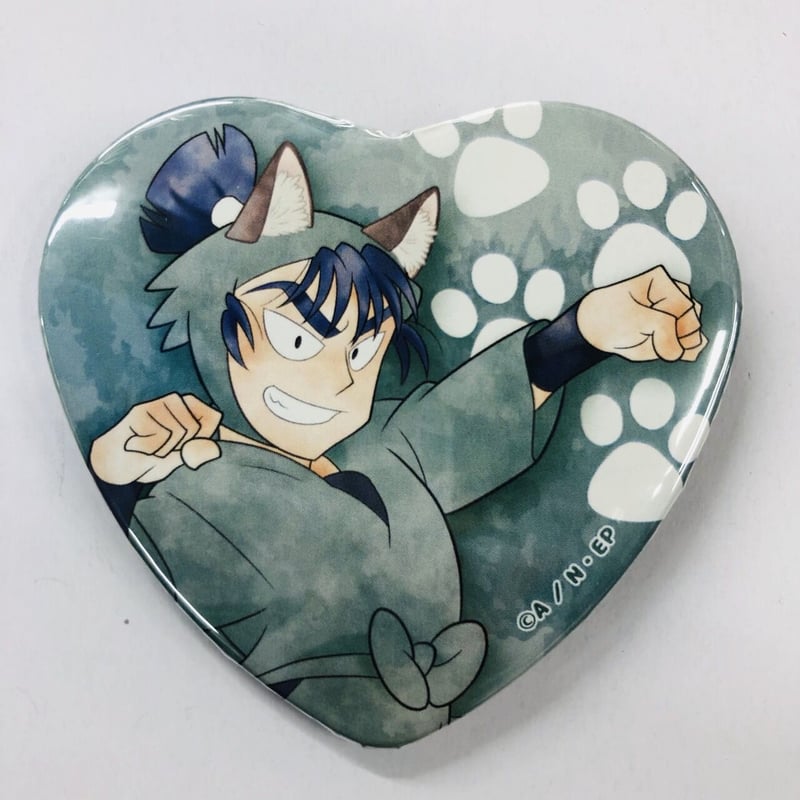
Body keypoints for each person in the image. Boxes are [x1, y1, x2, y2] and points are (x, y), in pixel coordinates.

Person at [90, 129, 705, 746]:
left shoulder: (382, 445)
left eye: (363, 351)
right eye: (298, 339)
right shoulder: (195, 485)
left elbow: (474, 415)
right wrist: (116, 474)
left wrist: (587, 331)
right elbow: (155, 579)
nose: (338, 381)